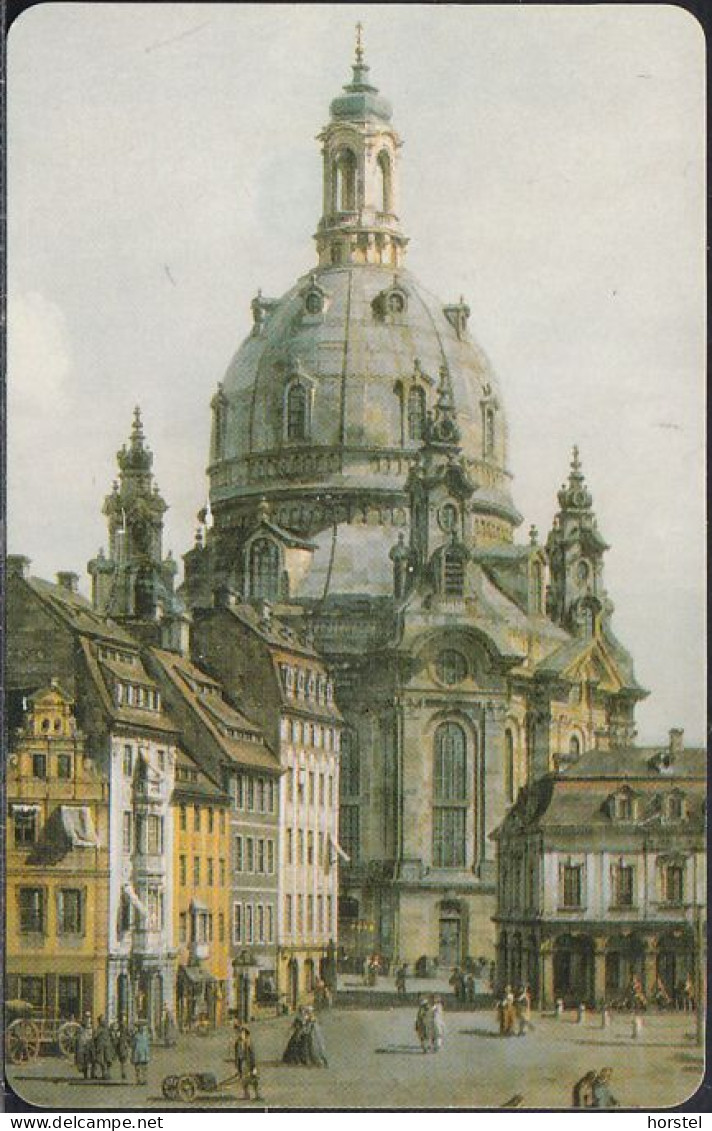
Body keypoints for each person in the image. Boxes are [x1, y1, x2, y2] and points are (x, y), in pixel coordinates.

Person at [234, 1025, 263, 1100]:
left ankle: (257, 1095)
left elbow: (252, 1055)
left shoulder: (249, 1043)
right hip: (242, 1063)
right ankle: (246, 1095)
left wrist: (254, 1067)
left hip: (249, 1063)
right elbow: (237, 1055)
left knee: (254, 1079)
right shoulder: (237, 1043)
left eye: (242, 1033)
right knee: (244, 1080)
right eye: (238, 1033)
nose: (240, 1035)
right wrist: (238, 1065)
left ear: (245, 1034)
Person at [93, 1015, 114, 1081]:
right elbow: (95, 1037)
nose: (103, 1021)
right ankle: (104, 1074)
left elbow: (111, 1036)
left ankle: (108, 1074)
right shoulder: (99, 1029)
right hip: (101, 1047)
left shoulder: (107, 1028)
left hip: (108, 1046)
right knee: (102, 1061)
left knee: (108, 1060)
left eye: (104, 1020)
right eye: (102, 1020)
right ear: (99, 1021)